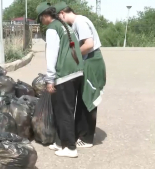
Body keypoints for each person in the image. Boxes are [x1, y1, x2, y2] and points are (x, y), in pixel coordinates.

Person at [54, 2, 106, 148]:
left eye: (59, 18)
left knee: (87, 99)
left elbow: (88, 44)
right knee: (83, 99)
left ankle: (87, 138)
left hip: (91, 62)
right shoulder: (79, 21)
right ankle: (83, 132)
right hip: (88, 61)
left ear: (62, 13)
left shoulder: (80, 22)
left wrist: (72, 57)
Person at [36, 2, 84, 158]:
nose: (42, 22)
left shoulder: (52, 29)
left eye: (41, 19)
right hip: (76, 72)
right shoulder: (64, 25)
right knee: (65, 109)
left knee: (64, 112)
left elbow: (52, 55)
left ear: (44, 16)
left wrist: (50, 79)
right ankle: (59, 141)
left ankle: (70, 148)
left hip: (65, 75)